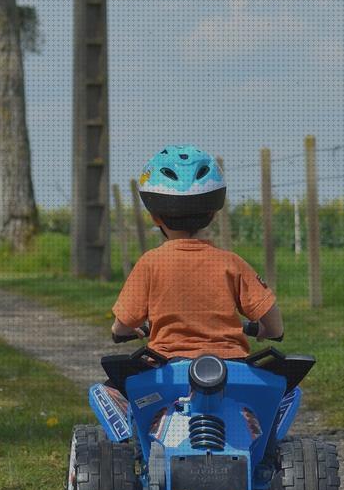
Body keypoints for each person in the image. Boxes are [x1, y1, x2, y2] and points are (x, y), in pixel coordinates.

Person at [111, 146, 284, 359]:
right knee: (285, 391)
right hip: (230, 368)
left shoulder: (150, 263)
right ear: (213, 213)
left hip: (167, 368)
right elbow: (273, 321)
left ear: (154, 217)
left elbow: (123, 324)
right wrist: (269, 330)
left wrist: (123, 331)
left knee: (107, 391)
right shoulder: (231, 263)